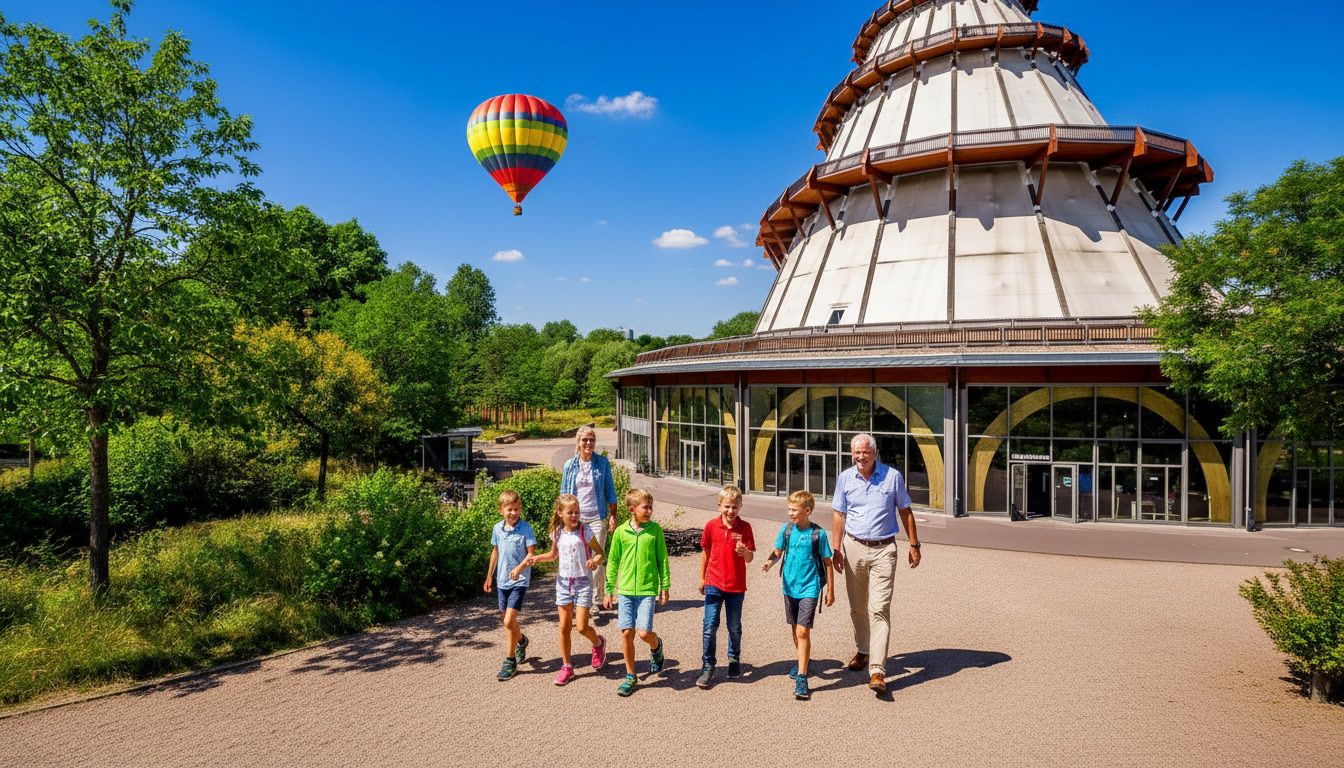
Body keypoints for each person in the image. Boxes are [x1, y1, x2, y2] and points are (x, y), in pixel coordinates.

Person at [830, 433, 921, 695]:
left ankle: (878, 671)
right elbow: (839, 514)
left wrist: (914, 544)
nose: (861, 457)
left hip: (884, 549)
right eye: (856, 453)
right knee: (858, 607)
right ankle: (864, 650)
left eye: (865, 452)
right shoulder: (845, 478)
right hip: (853, 546)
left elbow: (905, 510)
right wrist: (836, 549)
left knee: (879, 608)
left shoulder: (892, 476)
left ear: (875, 452)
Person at [512, 494, 607, 686]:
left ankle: (598, 643)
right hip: (563, 583)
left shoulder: (585, 531)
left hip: (583, 583)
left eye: (577, 512)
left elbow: (601, 554)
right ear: (560, 513)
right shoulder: (557, 532)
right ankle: (567, 667)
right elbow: (553, 555)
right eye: (570, 512)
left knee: (581, 627)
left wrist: (593, 561)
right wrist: (537, 558)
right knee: (564, 626)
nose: (574, 515)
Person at [761, 490, 835, 700]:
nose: (790, 513)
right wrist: (769, 562)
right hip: (789, 587)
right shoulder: (786, 530)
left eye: (794, 510)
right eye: (789, 509)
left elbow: (827, 563)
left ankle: (802, 677)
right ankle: (803, 660)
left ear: (807, 511)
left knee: (803, 631)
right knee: (795, 629)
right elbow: (777, 552)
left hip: (810, 588)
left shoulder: (818, 534)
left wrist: (830, 590)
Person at [602, 488, 670, 697]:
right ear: (632, 509)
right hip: (625, 591)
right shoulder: (621, 532)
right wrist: (608, 589)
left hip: (647, 590)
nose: (649, 511)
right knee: (626, 633)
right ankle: (631, 676)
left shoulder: (655, 530)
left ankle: (656, 645)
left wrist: (664, 587)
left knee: (643, 633)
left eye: (650, 507)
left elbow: (663, 560)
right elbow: (612, 561)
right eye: (645, 507)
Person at [695, 486, 754, 689]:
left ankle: (733, 658)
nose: (731, 511)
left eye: (735, 507)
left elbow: (750, 558)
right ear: (719, 506)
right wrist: (702, 578)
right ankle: (708, 664)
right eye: (727, 506)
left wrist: (745, 551)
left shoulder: (745, 528)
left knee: (734, 626)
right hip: (714, 582)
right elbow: (705, 552)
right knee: (709, 625)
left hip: (736, 585)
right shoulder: (711, 526)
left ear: (740, 507)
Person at [560, 425, 619, 602]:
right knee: (576, 558)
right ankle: (577, 596)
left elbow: (610, 490)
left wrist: (613, 517)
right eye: (585, 439)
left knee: (597, 558)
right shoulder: (569, 466)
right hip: (575, 520)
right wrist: (561, 520)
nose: (588, 443)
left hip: (595, 517)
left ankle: (596, 598)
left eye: (591, 440)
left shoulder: (602, 463)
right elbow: (563, 495)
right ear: (578, 442)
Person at [484, 489, 536, 681]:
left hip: (519, 581)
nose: (513, 513)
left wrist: (519, 568)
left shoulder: (526, 529)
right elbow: (495, 552)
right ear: (501, 510)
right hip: (502, 582)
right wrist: (490, 576)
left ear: (520, 509)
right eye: (509, 510)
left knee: (508, 622)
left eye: (516, 509)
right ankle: (521, 641)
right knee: (508, 620)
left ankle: (510, 662)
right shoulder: (497, 529)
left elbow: (531, 556)